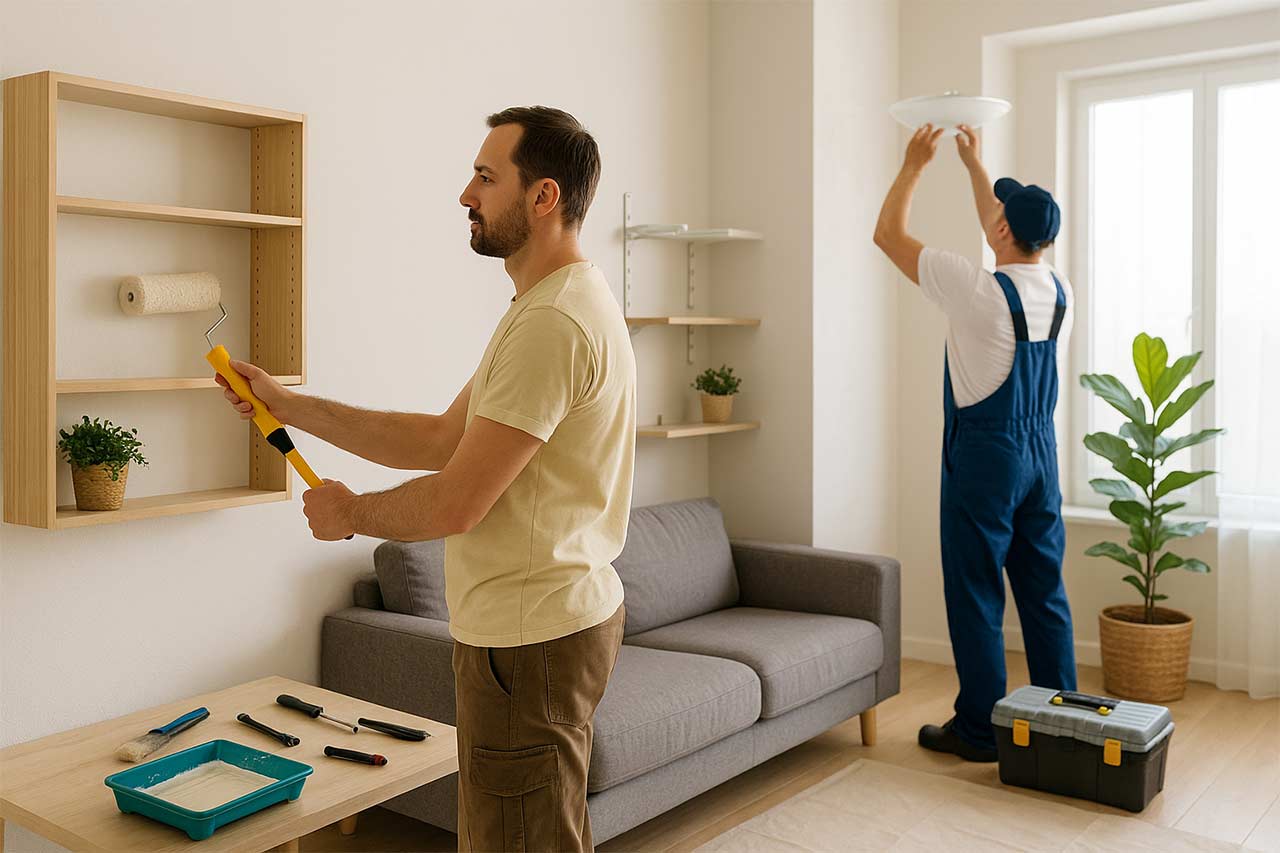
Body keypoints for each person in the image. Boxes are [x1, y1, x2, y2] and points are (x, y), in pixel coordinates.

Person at [216, 106, 635, 851]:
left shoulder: (554, 323)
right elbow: (442, 438)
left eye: (484, 176)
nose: (465, 194)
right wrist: (289, 404)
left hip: (532, 636)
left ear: (543, 197)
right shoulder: (545, 306)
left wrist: (351, 513)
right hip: (540, 627)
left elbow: (459, 499)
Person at [872, 123, 1077, 762]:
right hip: (1041, 455)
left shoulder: (978, 290)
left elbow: (888, 236)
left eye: (997, 214)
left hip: (987, 457)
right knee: (1044, 593)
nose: (991, 217)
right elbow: (999, 218)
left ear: (1002, 234)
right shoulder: (1058, 288)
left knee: (976, 592)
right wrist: (973, 163)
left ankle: (981, 730)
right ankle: (1062, 723)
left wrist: (913, 165)